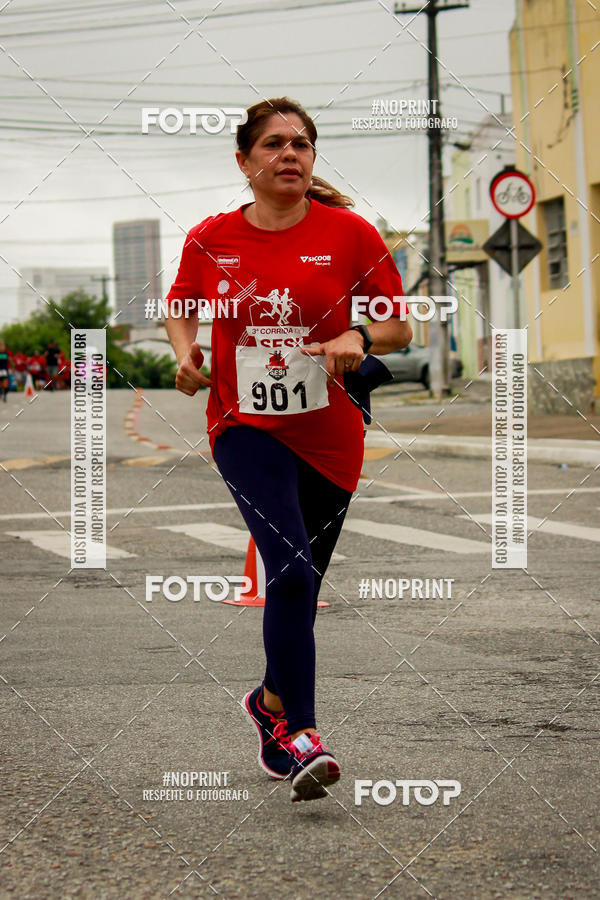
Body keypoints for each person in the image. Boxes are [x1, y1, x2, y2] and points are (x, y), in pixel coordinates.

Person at [165, 97, 412, 802]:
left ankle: (268, 701)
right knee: (292, 573)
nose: (290, 154)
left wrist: (356, 339)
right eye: (274, 144)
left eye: (302, 143)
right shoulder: (211, 238)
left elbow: (396, 327)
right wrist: (186, 357)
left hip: (332, 434)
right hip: (245, 426)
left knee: (302, 589)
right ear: (244, 161)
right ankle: (299, 735)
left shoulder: (351, 235)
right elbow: (181, 305)